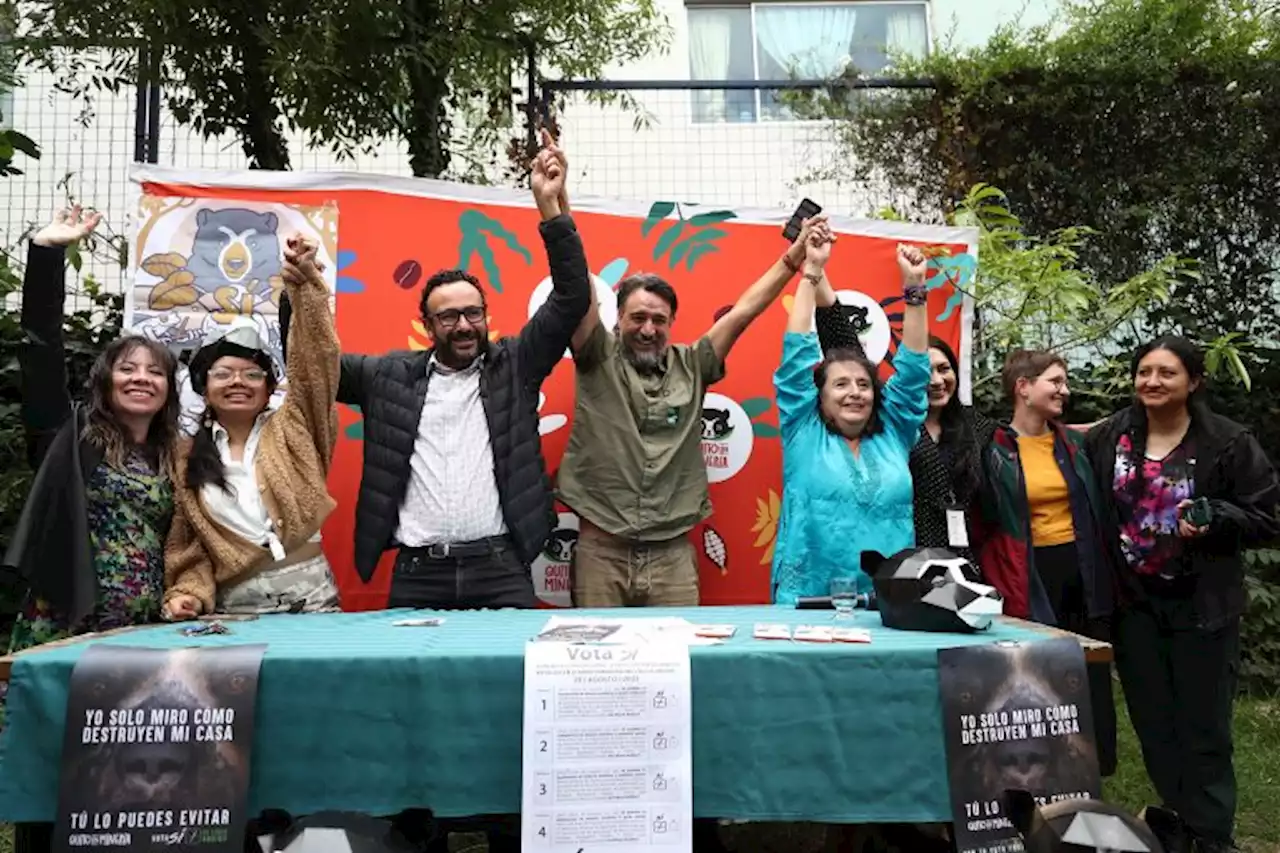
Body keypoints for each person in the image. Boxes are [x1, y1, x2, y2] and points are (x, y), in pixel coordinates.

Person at [335, 130, 588, 617]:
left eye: (474, 312)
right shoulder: (386, 376)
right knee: (409, 692)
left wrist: (550, 208)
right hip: (417, 572)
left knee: (514, 685)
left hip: (500, 567)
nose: (464, 325)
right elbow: (314, 370)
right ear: (427, 325)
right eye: (449, 317)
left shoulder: (515, 364)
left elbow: (571, 298)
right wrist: (296, 294)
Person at [558, 206, 821, 609]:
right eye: (638, 318)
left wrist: (796, 256)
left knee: (676, 664)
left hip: (672, 557)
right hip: (600, 550)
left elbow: (745, 311)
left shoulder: (694, 365)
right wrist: (556, 202)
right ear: (617, 320)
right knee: (597, 664)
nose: (649, 329)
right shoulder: (596, 358)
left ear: (671, 323)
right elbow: (575, 282)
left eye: (659, 320)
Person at [1086, 337, 1279, 853]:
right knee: (1154, 722)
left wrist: (1217, 517)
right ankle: (1179, 824)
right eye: (1144, 371)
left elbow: (1267, 517)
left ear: (1193, 381)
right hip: (1135, 607)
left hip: (1202, 608)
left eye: (1166, 373)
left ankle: (1212, 836)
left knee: (1204, 725)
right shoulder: (1112, 436)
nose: (1152, 381)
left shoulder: (1227, 441)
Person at [4, 206, 181, 655]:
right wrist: (46, 255)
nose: (141, 378)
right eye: (128, 369)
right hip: (68, 621)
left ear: (167, 389)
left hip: (144, 629)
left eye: (154, 372)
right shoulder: (71, 436)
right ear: (106, 381)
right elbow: (42, 351)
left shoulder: (173, 456)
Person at [161, 235, 341, 619]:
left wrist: (306, 287)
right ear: (204, 388)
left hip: (313, 601)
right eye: (223, 374)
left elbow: (316, 362)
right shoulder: (184, 456)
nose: (238, 382)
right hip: (233, 608)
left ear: (270, 388)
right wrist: (187, 594)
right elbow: (189, 545)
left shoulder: (297, 426)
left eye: (252, 374)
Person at [975, 349, 1117, 774]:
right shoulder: (993, 448)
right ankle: (1041, 770)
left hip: (1082, 567)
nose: (1064, 390)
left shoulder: (1073, 442)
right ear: (1023, 388)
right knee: (1037, 671)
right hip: (1029, 572)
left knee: (1089, 667)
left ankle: (1093, 768)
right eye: (1055, 381)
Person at [771, 228, 932, 602]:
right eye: (840, 385)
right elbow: (796, 352)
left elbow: (913, 371)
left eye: (863, 384)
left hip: (888, 600)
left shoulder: (894, 430)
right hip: (807, 601)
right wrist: (812, 269)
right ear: (819, 396)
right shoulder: (803, 428)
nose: (855, 392)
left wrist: (914, 287)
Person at [816, 296, 995, 560]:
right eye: (927, 372)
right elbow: (845, 346)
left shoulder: (977, 426)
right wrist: (819, 281)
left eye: (944, 369)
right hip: (909, 554)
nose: (936, 381)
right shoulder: (893, 421)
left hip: (966, 556)